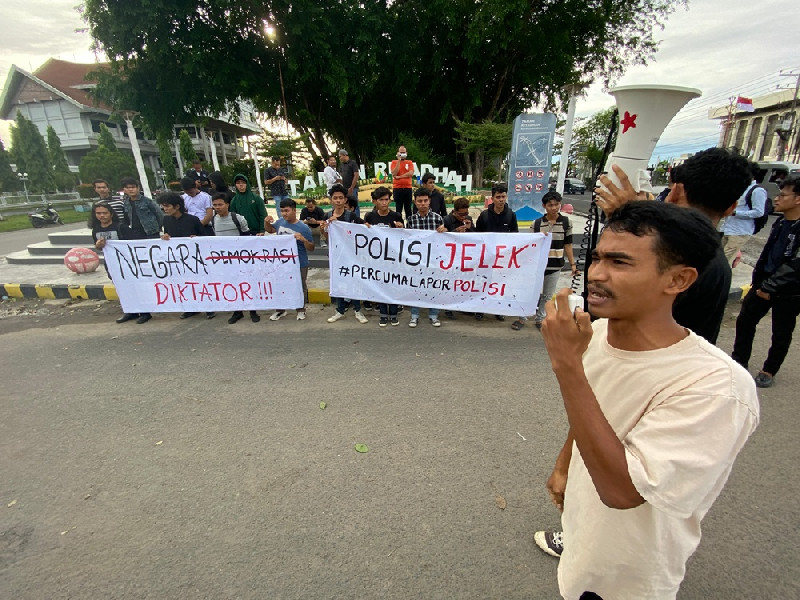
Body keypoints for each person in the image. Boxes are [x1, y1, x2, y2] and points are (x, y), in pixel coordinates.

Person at [534, 149, 752, 561]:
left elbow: (623, 491)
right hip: (587, 542)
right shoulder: (599, 337)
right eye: (596, 257)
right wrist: (566, 466)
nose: (596, 274)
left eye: (619, 262)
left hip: (633, 563)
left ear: (680, 281)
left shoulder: (717, 389)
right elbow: (593, 408)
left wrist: (566, 365)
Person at [732, 175, 800, 388]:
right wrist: (759, 283)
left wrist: (770, 287)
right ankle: (739, 360)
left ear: (798, 199)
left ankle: (769, 370)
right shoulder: (781, 223)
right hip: (762, 284)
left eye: (782, 194)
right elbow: (768, 255)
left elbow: (796, 264)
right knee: (745, 321)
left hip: (789, 291)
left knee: (781, 332)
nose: (777, 199)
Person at [520, 191, 577, 331]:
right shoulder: (537, 224)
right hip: (538, 266)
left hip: (555, 265)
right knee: (530, 292)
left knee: (547, 295)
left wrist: (573, 264)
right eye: (550, 205)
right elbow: (531, 244)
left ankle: (540, 318)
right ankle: (522, 317)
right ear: (544, 206)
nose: (554, 208)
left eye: (556, 204)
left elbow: (568, 244)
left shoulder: (566, 222)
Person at [159, 193, 215, 320]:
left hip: (195, 258)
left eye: (167, 206)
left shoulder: (192, 220)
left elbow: (204, 237)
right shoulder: (166, 220)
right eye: (163, 207)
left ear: (177, 206)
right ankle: (191, 308)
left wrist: (197, 239)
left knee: (201, 282)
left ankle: (209, 307)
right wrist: (165, 236)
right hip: (178, 258)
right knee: (184, 284)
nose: (165, 209)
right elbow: (167, 234)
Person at [117, 177, 161, 324]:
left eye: (133, 187)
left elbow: (159, 215)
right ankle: (138, 310)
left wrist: (157, 230)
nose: (131, 190)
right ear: (124, 189)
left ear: (138, 188)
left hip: (150, 235)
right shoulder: (126, 203)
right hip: (135, 236)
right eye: (128, 187)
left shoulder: (147, 201)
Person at [322, 184, 368, 324]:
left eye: (340, 198)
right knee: (339, 283)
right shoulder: (327, 216)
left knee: (353, 282)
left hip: (350, 256)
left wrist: (367, 226)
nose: (338, 201)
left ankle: (357, 310)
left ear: (345, 200)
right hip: (336, 256)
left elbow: (360, 231)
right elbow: (326, 237)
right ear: (331, 200)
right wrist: (325, 228)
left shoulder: (351, 215)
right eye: (335, 198)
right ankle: (340, 310)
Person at [264, 199, 315, 321]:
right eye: (282, 211)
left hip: (300, 262)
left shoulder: (303, 228)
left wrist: (303, 240)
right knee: (280, 285)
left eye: (287, 210)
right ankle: (280, 310)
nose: (284, 214)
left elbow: (312, 247)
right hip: (282, 263)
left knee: (300, 286)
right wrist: (266, 222)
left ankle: (301, 309)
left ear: (294, 210)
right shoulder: (280, 222)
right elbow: (270, 230)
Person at [474, 183, 517, 321]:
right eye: (498, 197)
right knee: (483, 283)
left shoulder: (511, 215)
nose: (501, 200)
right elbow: (477, 236)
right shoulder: (484, 215)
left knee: (500, 284)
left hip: (502, 258)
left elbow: (515, 235)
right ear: (492, 198)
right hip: (486, 257)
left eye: (503, 197)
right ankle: (480, 309)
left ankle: (498, 309)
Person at [406, 187, 446, 328]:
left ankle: (433, 315)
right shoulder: (411, 220)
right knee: (416, 287)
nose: (422, 203)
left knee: (433, 287)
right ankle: (414, 315)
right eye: (419, 201)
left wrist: (444, 231)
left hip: (433, 260)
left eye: (425, 201)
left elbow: (443, 241)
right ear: (415, 202)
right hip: (416, 261)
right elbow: (407, 240)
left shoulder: (437, 218)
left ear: (429, 201)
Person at [364, 186, 404, 326]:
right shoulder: (370, 216)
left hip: (392, 257)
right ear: (375, 201)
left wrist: (400, 228)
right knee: (380, 285)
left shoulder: (396, 216)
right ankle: (382, 314)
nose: (384, 202)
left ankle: (393, 313)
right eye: (381, 200)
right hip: (376, 257)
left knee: (392, 285)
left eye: (387, 199)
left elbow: (403, 236)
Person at [721, 162, 768, 265]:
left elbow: (759, 212)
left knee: (725, 261)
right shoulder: (741, 188)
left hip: (740, 231)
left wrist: (735, 213)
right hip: (728, 228)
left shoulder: (757, 191)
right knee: (719, 258)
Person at [391, 145, 415, 219]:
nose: (402, 154)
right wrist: (398, 160)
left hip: (408, 188)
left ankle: (409, 225)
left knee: (408, 208)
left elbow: (411, 173)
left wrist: (400, 177)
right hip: (398, 188)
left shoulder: (409, 162)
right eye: (401, 152)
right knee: (398, 208)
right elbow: (394, 173)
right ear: (398, 153)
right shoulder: (394, 162)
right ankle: (399, 224)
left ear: (406, 153)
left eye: (404, 152)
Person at [338, 149, 360, 214]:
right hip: (345, 188)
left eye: (340, 156)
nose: (340, 158)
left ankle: (356, 220)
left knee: (354, 204)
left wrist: (351, 187)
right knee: (346, 204)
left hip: (353, 188)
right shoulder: (341, 165)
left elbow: (356, 175)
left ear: (344, 155)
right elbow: (341, 175)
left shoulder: (353, 163)